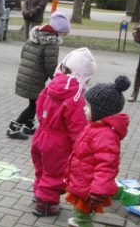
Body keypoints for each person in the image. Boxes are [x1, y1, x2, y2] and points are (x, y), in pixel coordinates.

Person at [57, 76, 131, 227]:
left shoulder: (105, 135)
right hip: (81, 182)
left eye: (88, 107)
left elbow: (106, 165)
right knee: (78, 211)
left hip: (90, 187)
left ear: (101, 112)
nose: (84, 109)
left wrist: (98, 190)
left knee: (83, 215)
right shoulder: (95, 127)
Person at [30, 47, 97, 217]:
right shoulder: (75, 96)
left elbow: (39, 105)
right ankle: (45, 204)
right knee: (54, 173)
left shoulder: (52, 85)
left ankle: (39, 193)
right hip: (58, 142)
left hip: (41, 135)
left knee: (41, 168)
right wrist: (82, 146)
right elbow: (78, 126)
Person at [7, 12, 71, 140]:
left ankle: (29, 126)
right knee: (35, 105)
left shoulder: (35, 35)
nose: (65, 36)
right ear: (59, 30)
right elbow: (50, 66)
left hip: (25, 74)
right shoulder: (51, 43)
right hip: (34, 78)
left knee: (34, 101)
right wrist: (58, 80)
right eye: (64, 33)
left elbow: (23, 53)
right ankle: (13, 128)